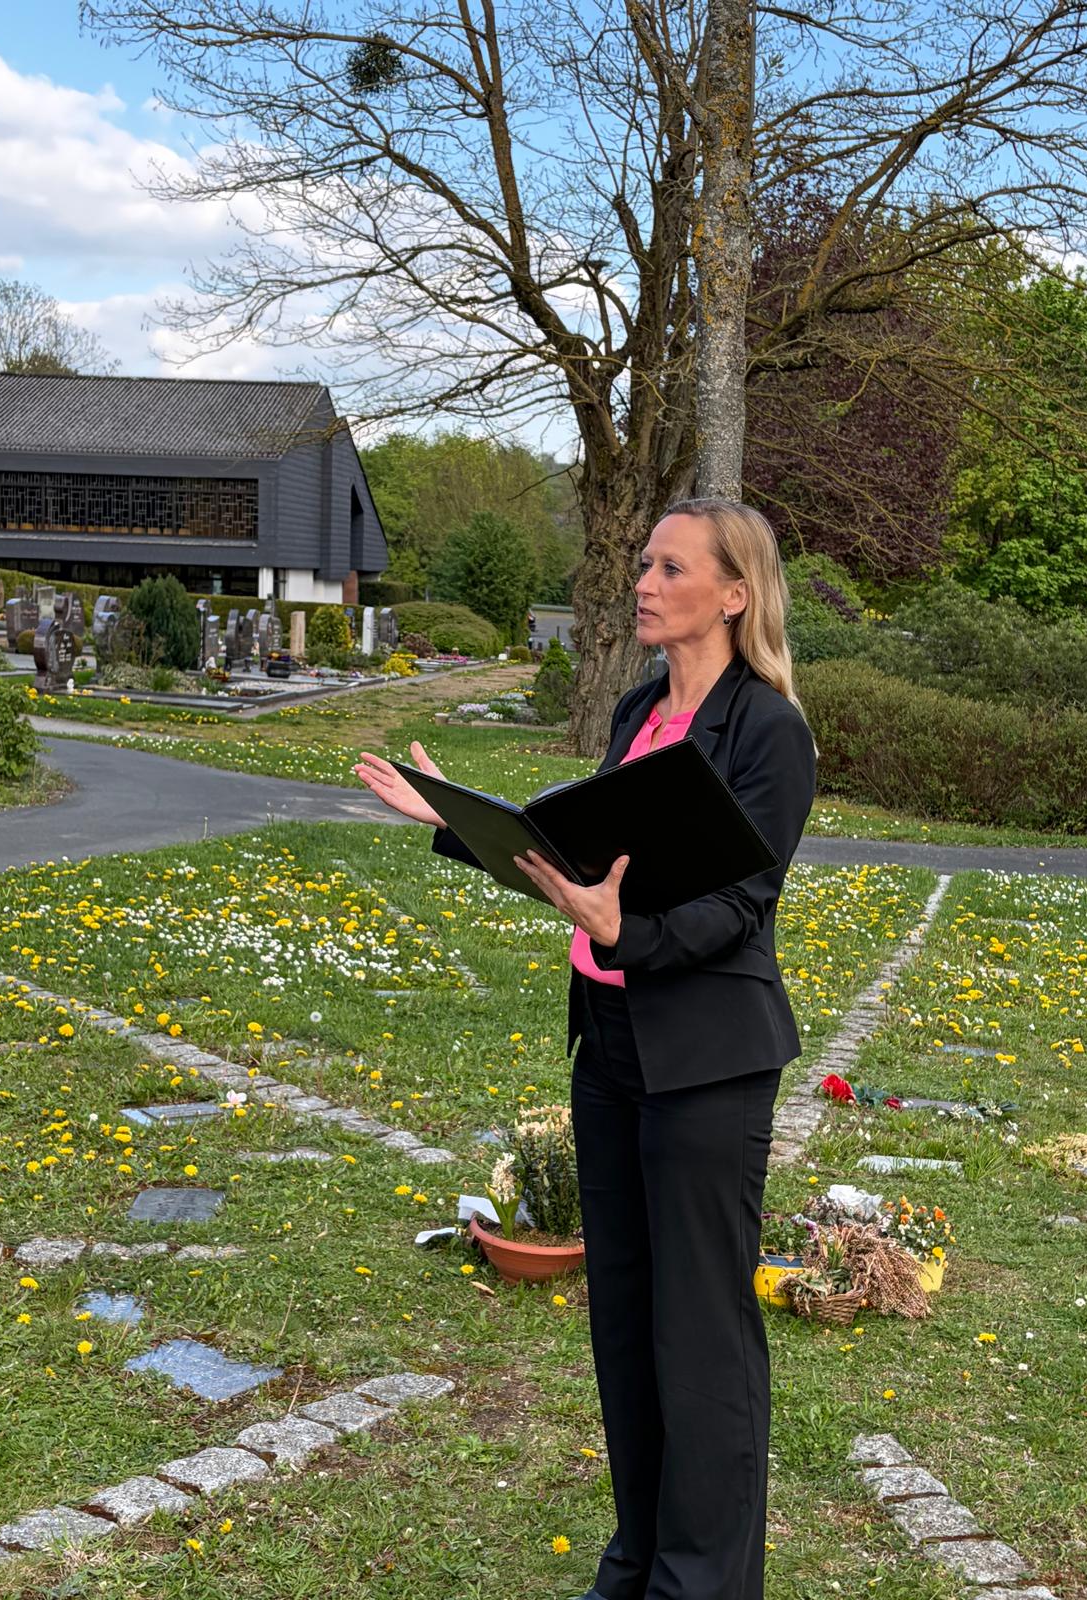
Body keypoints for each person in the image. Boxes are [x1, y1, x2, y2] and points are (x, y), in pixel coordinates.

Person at [353, 496, 817, 1600]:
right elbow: (567, 860)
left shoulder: (769, 729)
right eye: (644, 564)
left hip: (707, 1059)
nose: (643, 582)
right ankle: (639, 1556)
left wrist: (629, 932)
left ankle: (700, 1580)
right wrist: (450, 820)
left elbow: (742, 904)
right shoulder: (640, 706)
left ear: (735, 593)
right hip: (608, 1041)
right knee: (624, 1313)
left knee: (699, 1332)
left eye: (669, 567)